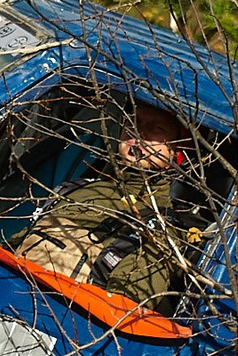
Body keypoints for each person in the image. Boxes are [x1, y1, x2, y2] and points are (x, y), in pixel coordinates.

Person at [13, 101, 208, 305]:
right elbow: (14, 245)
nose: (139, 131)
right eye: (133, 120)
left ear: (176, 153)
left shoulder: (161, 227)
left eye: (157, 128)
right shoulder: (76, 188)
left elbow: (123, 311)